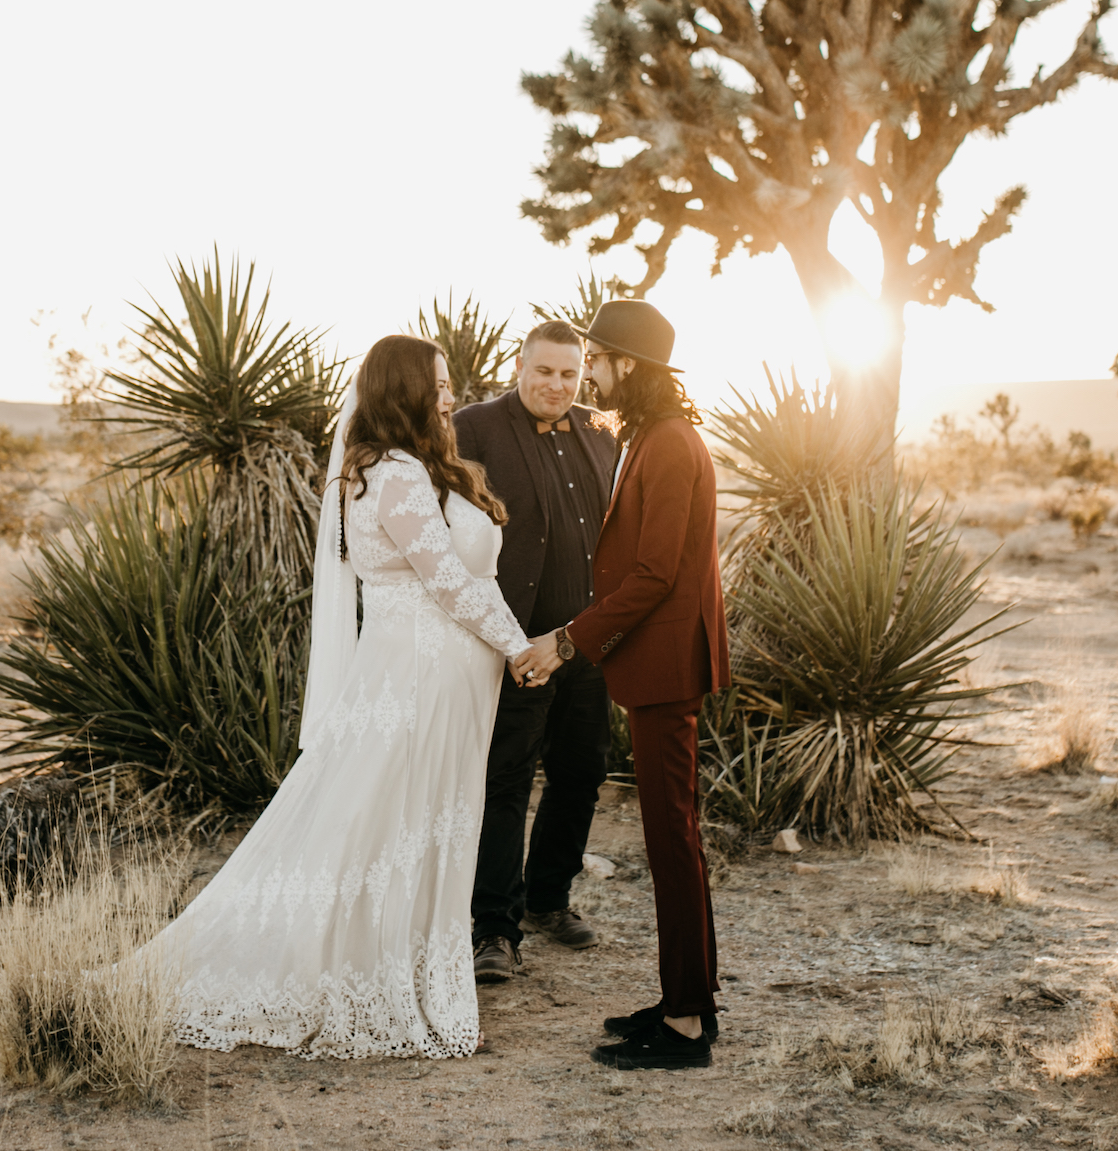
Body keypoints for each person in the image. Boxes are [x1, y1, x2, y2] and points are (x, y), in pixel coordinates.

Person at [129, 335, 535, 1059]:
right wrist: (520, 644)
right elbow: (445, 580)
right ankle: (369, 975)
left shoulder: (374, 469)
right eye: (438, 385)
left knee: (389, 823)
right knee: (393, 825)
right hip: (417, 677)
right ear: (404, 390)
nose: (450, 396)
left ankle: (386, 960)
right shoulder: (399, 476)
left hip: (414, 672)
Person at [513, 299, 729, 1072]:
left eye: (597, 360)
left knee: (673, 838)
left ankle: (684, 1024)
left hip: (668, 670)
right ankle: (685, 1000)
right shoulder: (654, 438)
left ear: (626, 366)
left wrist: (571, 638)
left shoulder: (670, 444)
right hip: (658, 667)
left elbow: (655, 572)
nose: (590, 373)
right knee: (673, 837)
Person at [453, 319, 620, 986]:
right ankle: (494, 926)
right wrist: (505, 638)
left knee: (582, 771)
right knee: (505, 780)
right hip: (513, 641)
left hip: (584, 642)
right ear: (518, 366)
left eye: (568, 373)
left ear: (582, 374)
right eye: (544, 370)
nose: (556, 384)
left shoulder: (600, 433)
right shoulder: (475, 428)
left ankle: (551, 898)